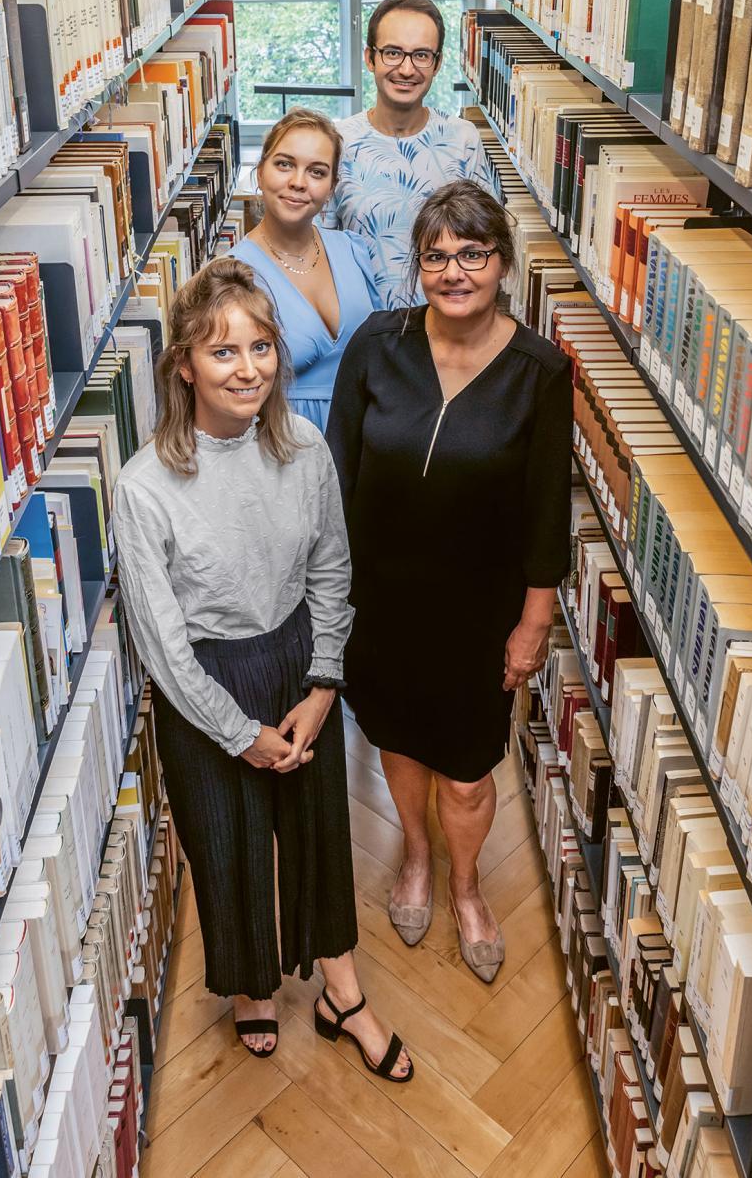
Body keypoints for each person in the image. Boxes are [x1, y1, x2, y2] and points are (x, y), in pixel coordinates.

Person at [112, 257, 412, 1078]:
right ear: (183, 364)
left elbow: (331, 571)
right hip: (204, 684)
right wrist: (237, 732)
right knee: (226, 841)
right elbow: (162, 641)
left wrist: (321, 687)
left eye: (262, 348)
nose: (248, 369)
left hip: (293, 659)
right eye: (223, 352)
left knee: (318, 833)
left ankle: (340, 990)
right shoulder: (144, 486)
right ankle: (249, 987)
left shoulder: (303, 446)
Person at [326, 181, 572, 983]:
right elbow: (337, 469)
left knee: (466, 769)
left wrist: (534, 621)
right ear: (419, 264)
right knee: (397, 740)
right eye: (436, 255)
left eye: (472, 253)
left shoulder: (539, 371)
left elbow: (544, 510)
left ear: (502, 262)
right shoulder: (376, 343)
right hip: (382, 602)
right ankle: (416, 857)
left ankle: (467, 886)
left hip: (478, 610)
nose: (454, 270)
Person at [322, 0, 500, 308]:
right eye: (392, 53)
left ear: (438, 63)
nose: (406, 70)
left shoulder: (463, 140)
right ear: (369, 57)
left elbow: (488, 247)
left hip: (450, 328)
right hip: (363, 333)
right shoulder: (336, 143)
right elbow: (319, 247)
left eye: (421, 55)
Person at [231, 108, 380, 431]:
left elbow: (382, 354)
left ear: (331, 187)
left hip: (364, 442)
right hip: (281, 445)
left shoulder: (352, 250)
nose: (298, 183)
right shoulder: (233, 275)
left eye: (317, 172)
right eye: (284, 164)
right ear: (260, 173)